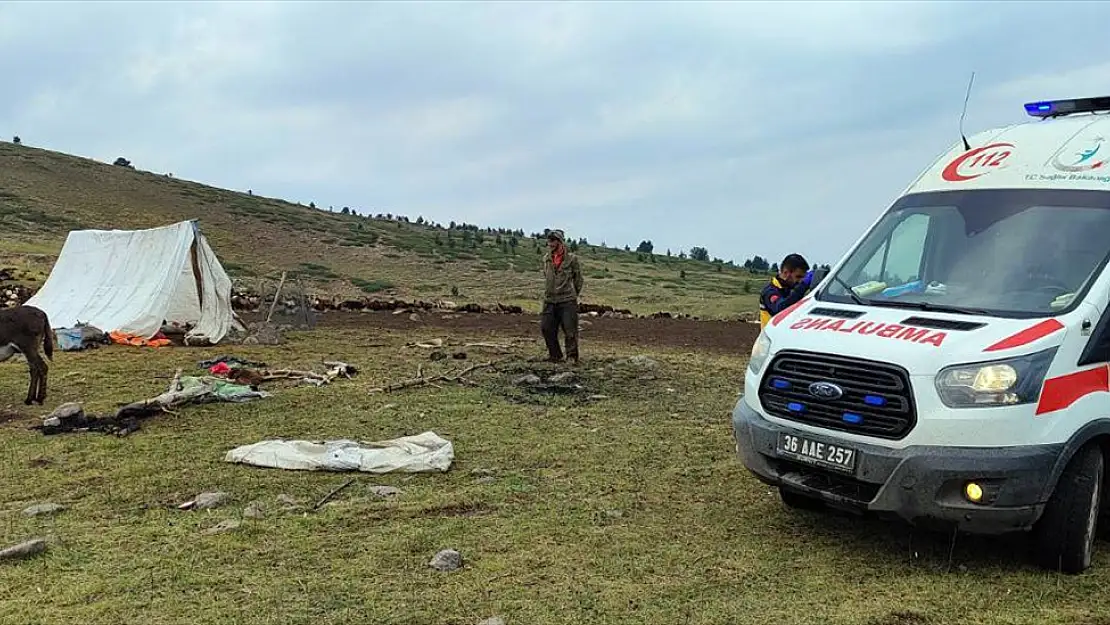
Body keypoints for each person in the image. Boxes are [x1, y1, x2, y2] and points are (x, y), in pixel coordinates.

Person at [541, 229, 584, 363]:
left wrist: (572, 295)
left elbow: (578, 279)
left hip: (567, 300)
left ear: (560, 242)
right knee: (546, 328)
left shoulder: (572, 259)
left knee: (570, 330)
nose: (550, 243)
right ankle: (555, 355)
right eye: (549, 240)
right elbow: (546, 275)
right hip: (549, 300)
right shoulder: (546, 259)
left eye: (553, 240)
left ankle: (572, 357)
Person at [759, 253, 813, 328]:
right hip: (770, 338)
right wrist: (803, 286)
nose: (800, 281)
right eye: (798, 276)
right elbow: (780, 308)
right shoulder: (770, 291)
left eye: (803, 278)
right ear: (785, 272)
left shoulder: (789, 290)